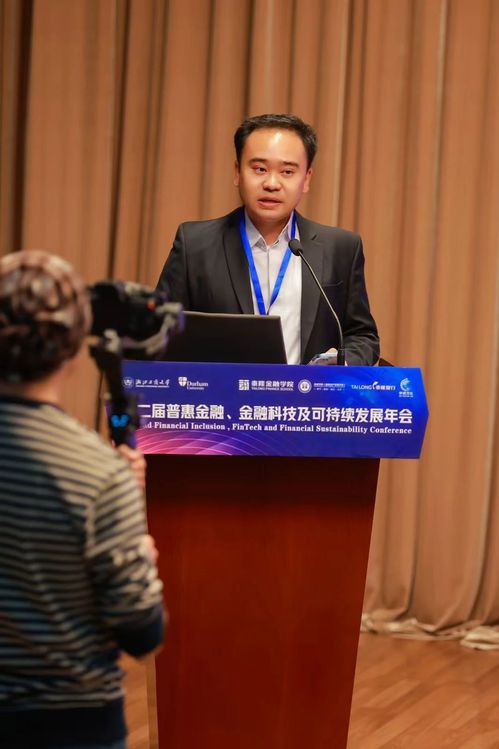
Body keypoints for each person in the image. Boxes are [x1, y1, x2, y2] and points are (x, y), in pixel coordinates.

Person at [0, 250, 165, 749]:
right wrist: (138, 555)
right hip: (71, 724)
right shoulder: (98, 475)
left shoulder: (103, 476)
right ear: (73, 350)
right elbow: (141, 632)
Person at [157, 113, 379, 365]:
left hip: (306, 390)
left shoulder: (340, 248)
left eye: (287, 171)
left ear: (306, 179)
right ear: (237, 172)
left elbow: (363, 335)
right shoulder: (195, 245)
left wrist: (339, 363)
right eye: (260, 169)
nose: (272, 183)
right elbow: (158, 332)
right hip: (223, 389)